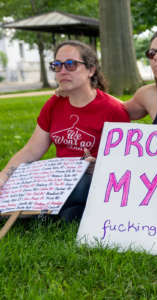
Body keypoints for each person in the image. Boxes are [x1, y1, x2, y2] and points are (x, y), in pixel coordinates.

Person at [0, 40, 130, 222]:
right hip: (59, 179)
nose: (62, 71)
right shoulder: (54, 104)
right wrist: (4, 176)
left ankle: (43, 212)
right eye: (57, 65)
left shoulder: (113, 110)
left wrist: (100, 165)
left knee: (82, 185)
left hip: (91, 180)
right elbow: (31, 150)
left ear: (91, 70)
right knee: (21, 178)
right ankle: (60, 212)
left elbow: (125, 164)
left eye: (71, 65)